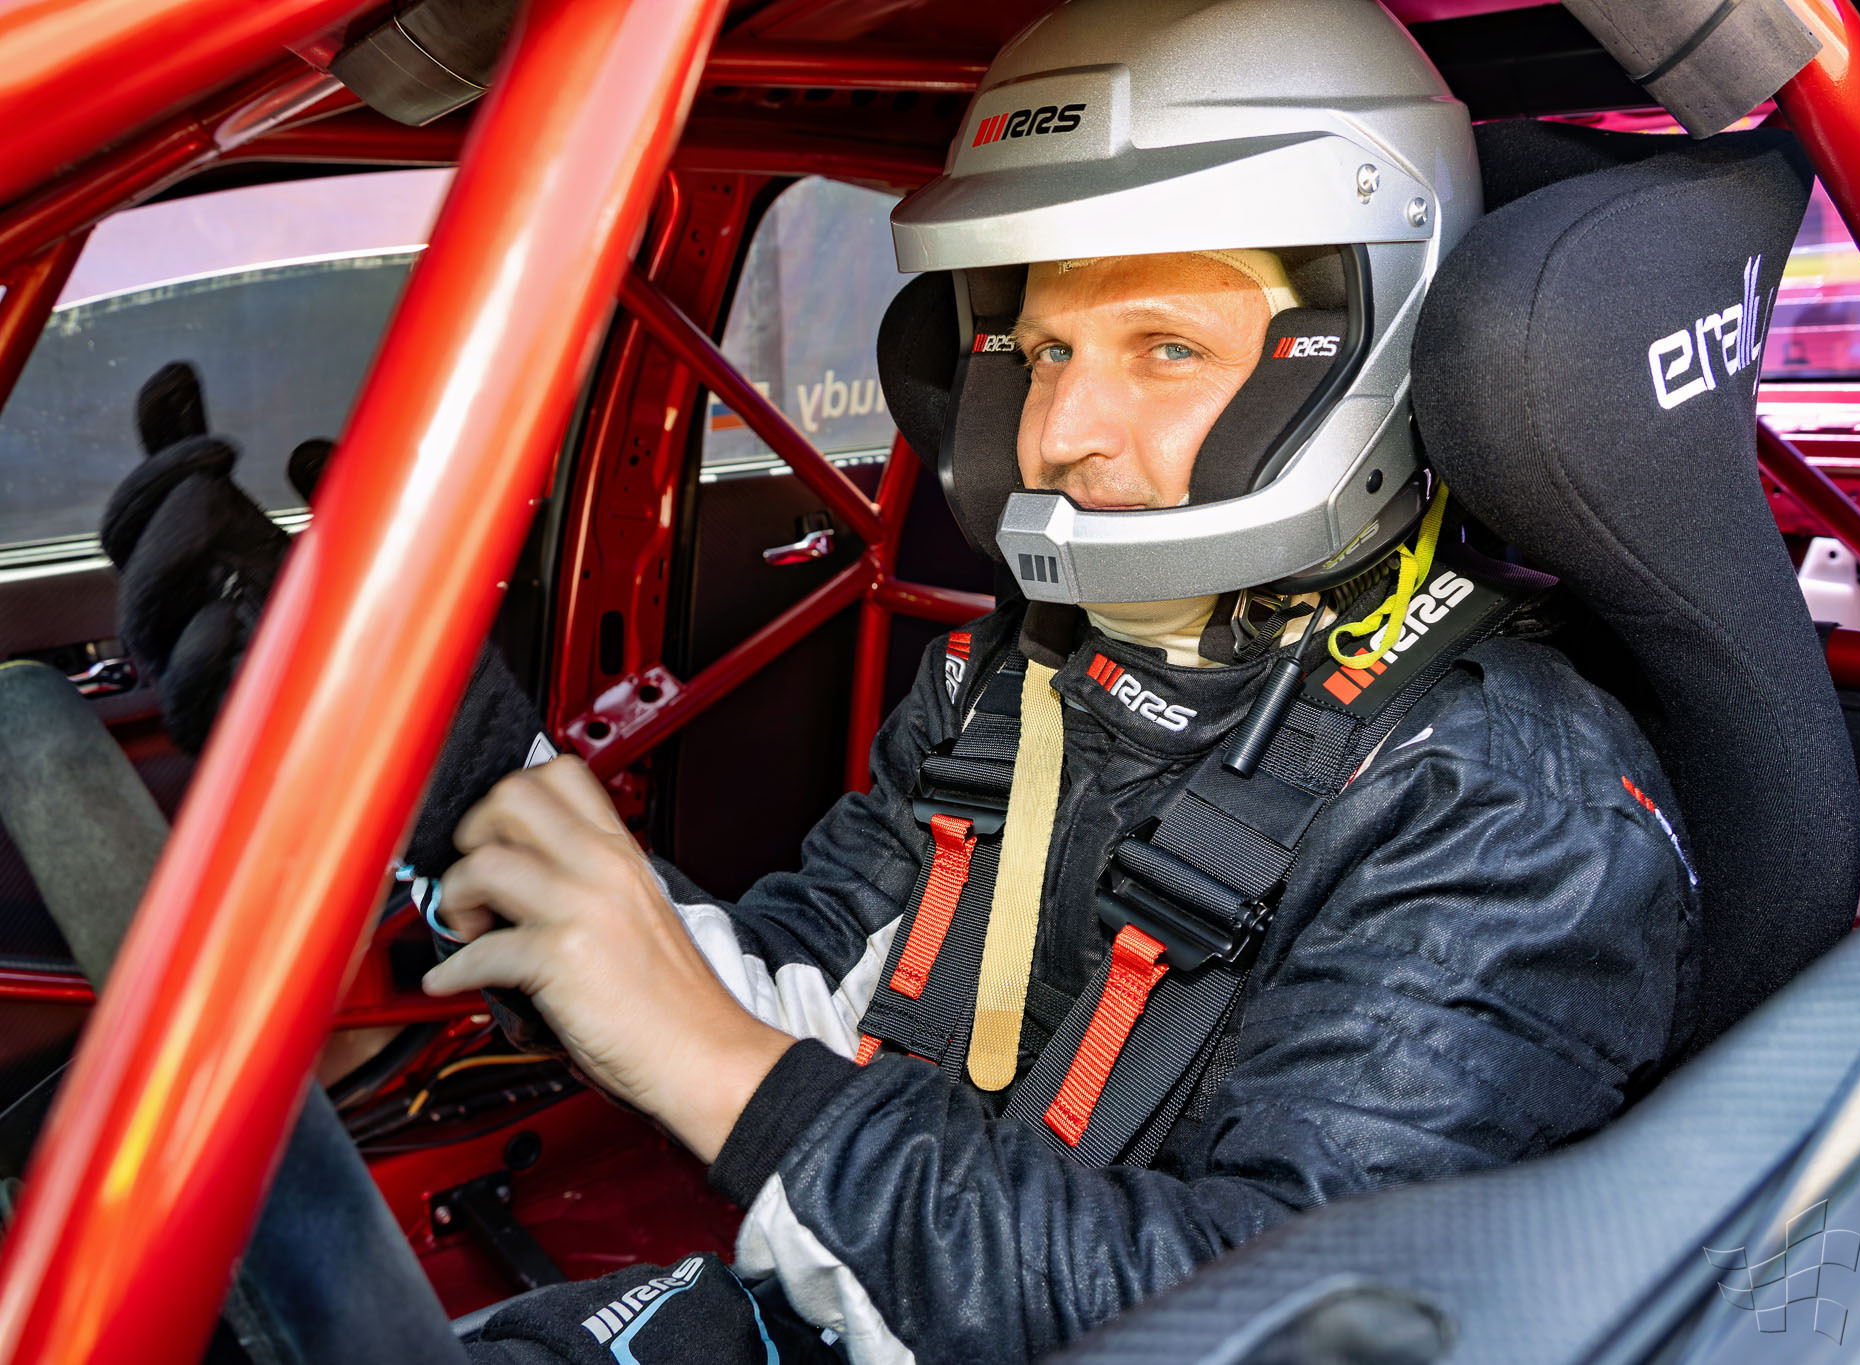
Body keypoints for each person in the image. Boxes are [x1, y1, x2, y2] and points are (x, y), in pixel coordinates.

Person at [95, 0, 1699, 1360]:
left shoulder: (1513, 799)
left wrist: (732, 1079)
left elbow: (1269, 1326)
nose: (1061, 434)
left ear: (1368, 346)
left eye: (1165, 348)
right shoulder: (1020, 676)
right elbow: (778, 987)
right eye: (1044, 350)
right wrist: (438, 768)